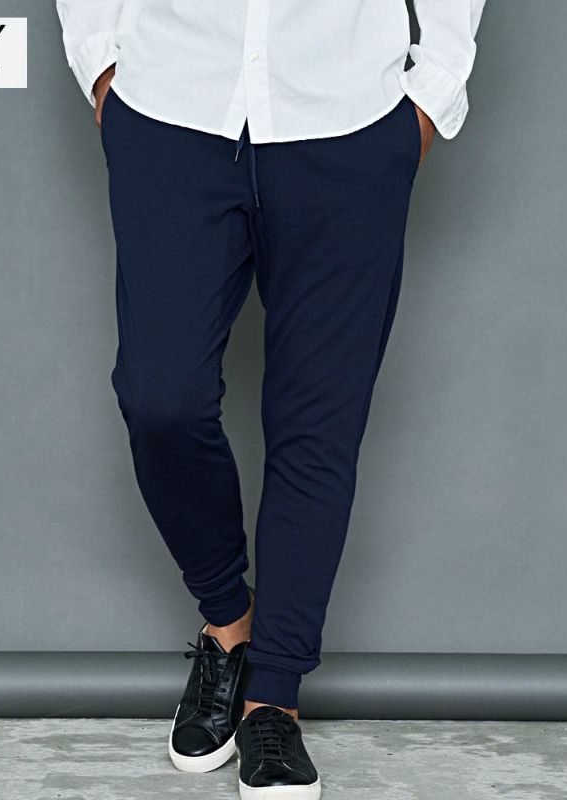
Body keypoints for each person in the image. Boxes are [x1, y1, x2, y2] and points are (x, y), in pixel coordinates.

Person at [56, 2, 485, 797]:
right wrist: (99, 63)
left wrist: (432, 94)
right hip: (172, 105)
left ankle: (273, 698)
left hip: (346, 117)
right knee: (161, 398)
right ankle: (230, 622)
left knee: (318, 421)